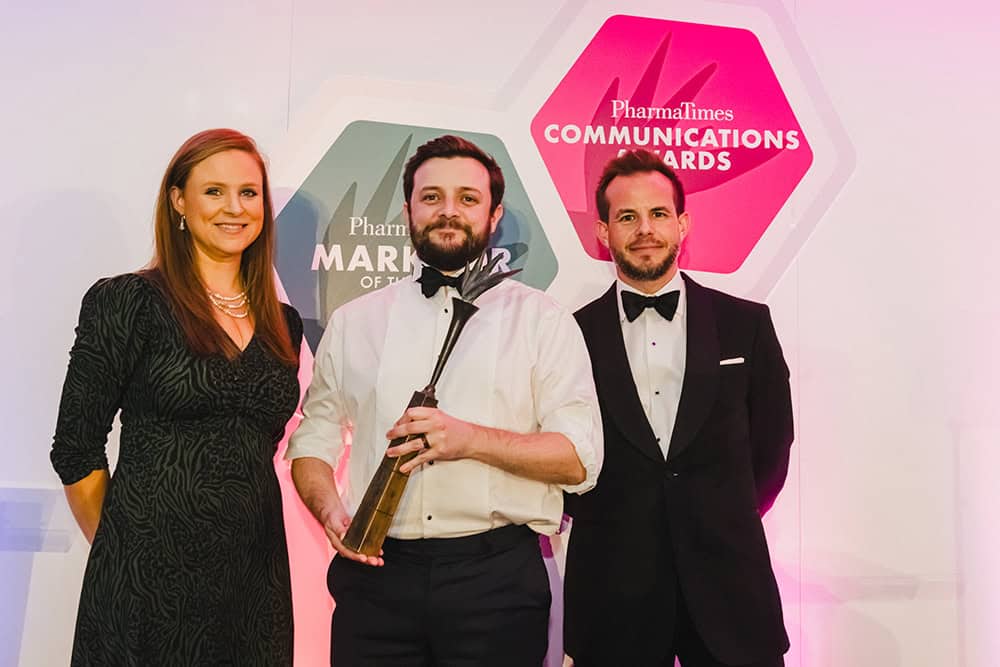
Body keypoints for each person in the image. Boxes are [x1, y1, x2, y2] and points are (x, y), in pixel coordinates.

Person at [287, 134, 602, 666]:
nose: (448, 211)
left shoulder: (543, 321)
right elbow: (312, 439)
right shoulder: (354, 321)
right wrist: (329, 511)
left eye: (468, 198)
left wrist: (469, 440)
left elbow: (579, 460)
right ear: (407, 210)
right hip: (375, 580)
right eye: (431, 197)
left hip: (496, 583)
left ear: (494, 215)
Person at [50, 128, 302, 665]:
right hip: (143, 585)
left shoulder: (285, 324)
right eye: (214, 191)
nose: (234, 207)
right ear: (178, 201)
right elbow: (75, 448)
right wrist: (123, 550)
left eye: (249, 192)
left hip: (253, 585)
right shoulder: (129, 301)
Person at [563, 149, 793, 667]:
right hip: (612, 594)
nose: (645, 229)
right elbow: (562, 456)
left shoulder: (747, 325)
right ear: (603, 232)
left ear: (682, 224)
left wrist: (718, 512)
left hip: (731, 591)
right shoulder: (569, 335)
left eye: (658, 213)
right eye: (627, 217)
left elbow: (771, 449)